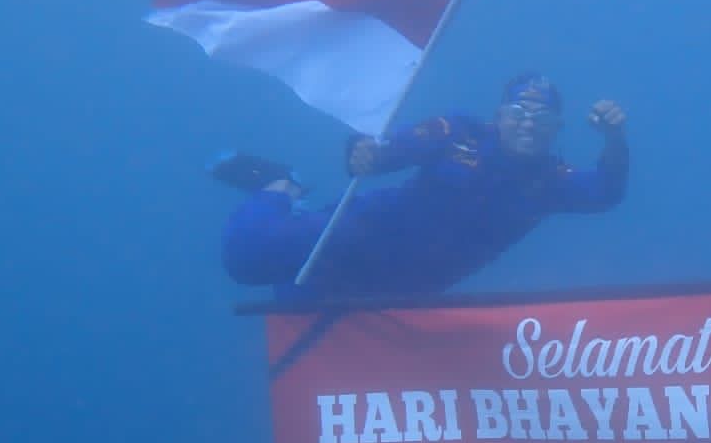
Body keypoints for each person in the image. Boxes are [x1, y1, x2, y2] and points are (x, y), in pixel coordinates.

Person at [215, 74, 628, 297]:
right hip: (360, 233)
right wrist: (363, 152)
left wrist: (614, 138)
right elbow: (389, 152)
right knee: (248, 257)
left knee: (294, 305)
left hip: (407, 287)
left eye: (543, 119)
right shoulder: (458, 131)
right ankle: (280, 185)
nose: (528, 125)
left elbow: (606, 192)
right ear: (499, 116)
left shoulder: (552, 181)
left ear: (556, 129)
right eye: (519, 112)